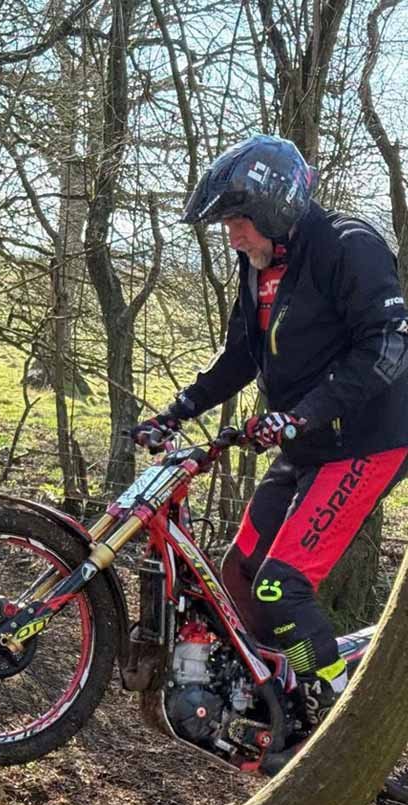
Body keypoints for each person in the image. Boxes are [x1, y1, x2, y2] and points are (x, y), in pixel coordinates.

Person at [131, 134, 408, 726]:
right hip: (305, 443)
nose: (231, 234)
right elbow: (240, 357)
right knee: (238, 574)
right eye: (227, 223)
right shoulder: (257, 267)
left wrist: (303, 412)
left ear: (276, 207)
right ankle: (274, 692)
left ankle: (333, 712)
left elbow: (387, 349)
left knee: (281, 587)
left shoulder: (347, 246)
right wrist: (178, 410)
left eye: (238, 221)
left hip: (367, 441)